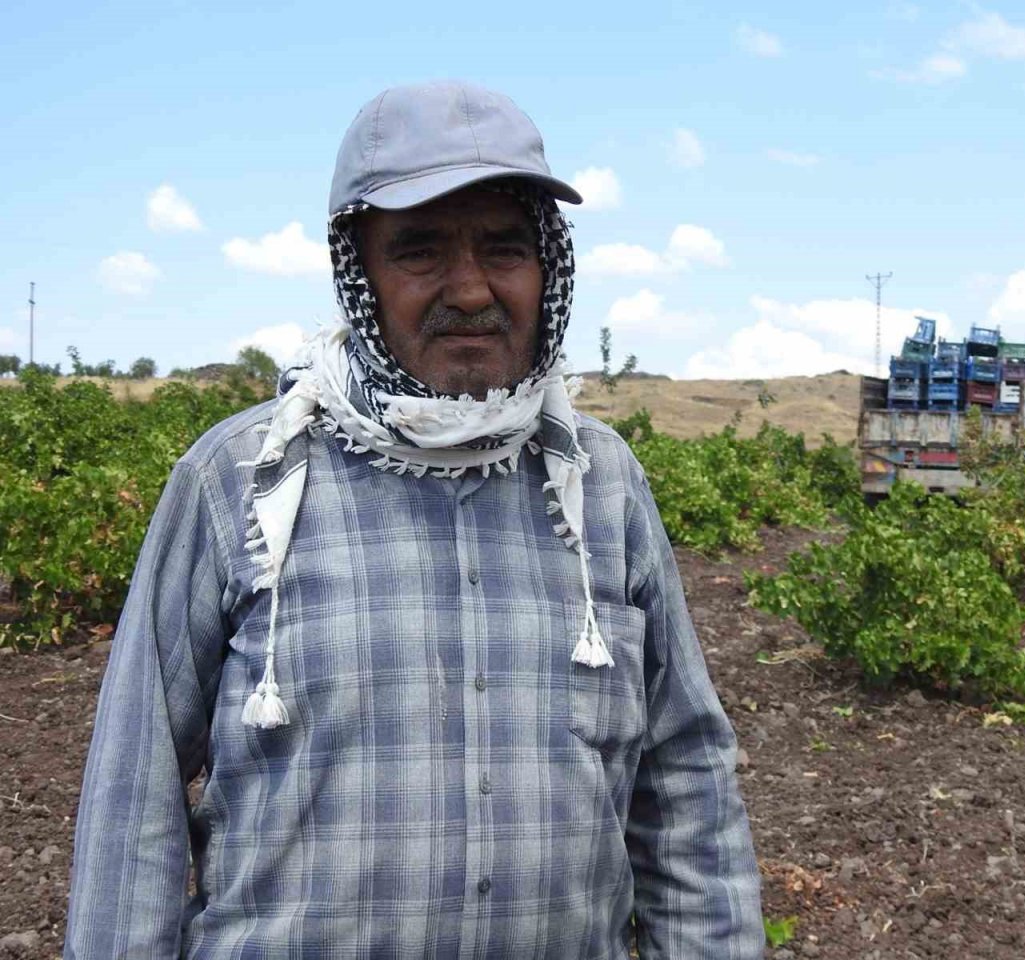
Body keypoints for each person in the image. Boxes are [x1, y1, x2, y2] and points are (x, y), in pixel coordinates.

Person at [65, 81, 764, 959]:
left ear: (547, 266)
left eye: (505, 248)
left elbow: (687, 784)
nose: (471, 290)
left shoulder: (602, 482)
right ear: (359, 271)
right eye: (421, 252)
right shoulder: (239, 478)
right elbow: (136, 796)